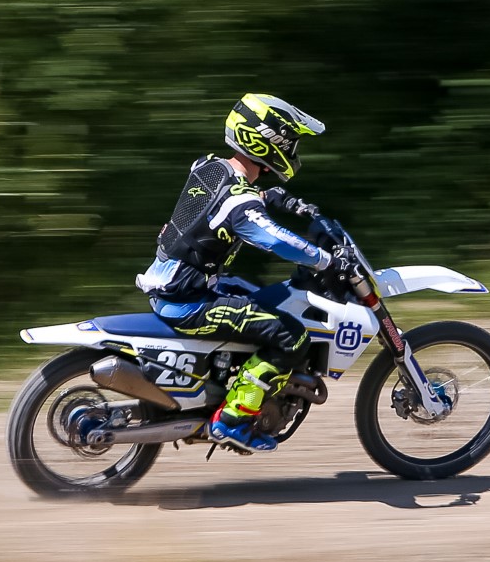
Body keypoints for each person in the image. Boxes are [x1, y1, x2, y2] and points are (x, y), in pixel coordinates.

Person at [133, 93, 342, 452]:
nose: (293, 150)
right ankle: (232, 419)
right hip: (189, 302)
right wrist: (324, 259)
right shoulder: (239, 202)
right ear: (267, 141)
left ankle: (222, 383)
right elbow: (275, 240)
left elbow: (223, 202)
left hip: (174, 285)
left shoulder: (208, 167)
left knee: (255, 296)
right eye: (289, 142)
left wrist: (273, 198)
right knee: (291, 337)